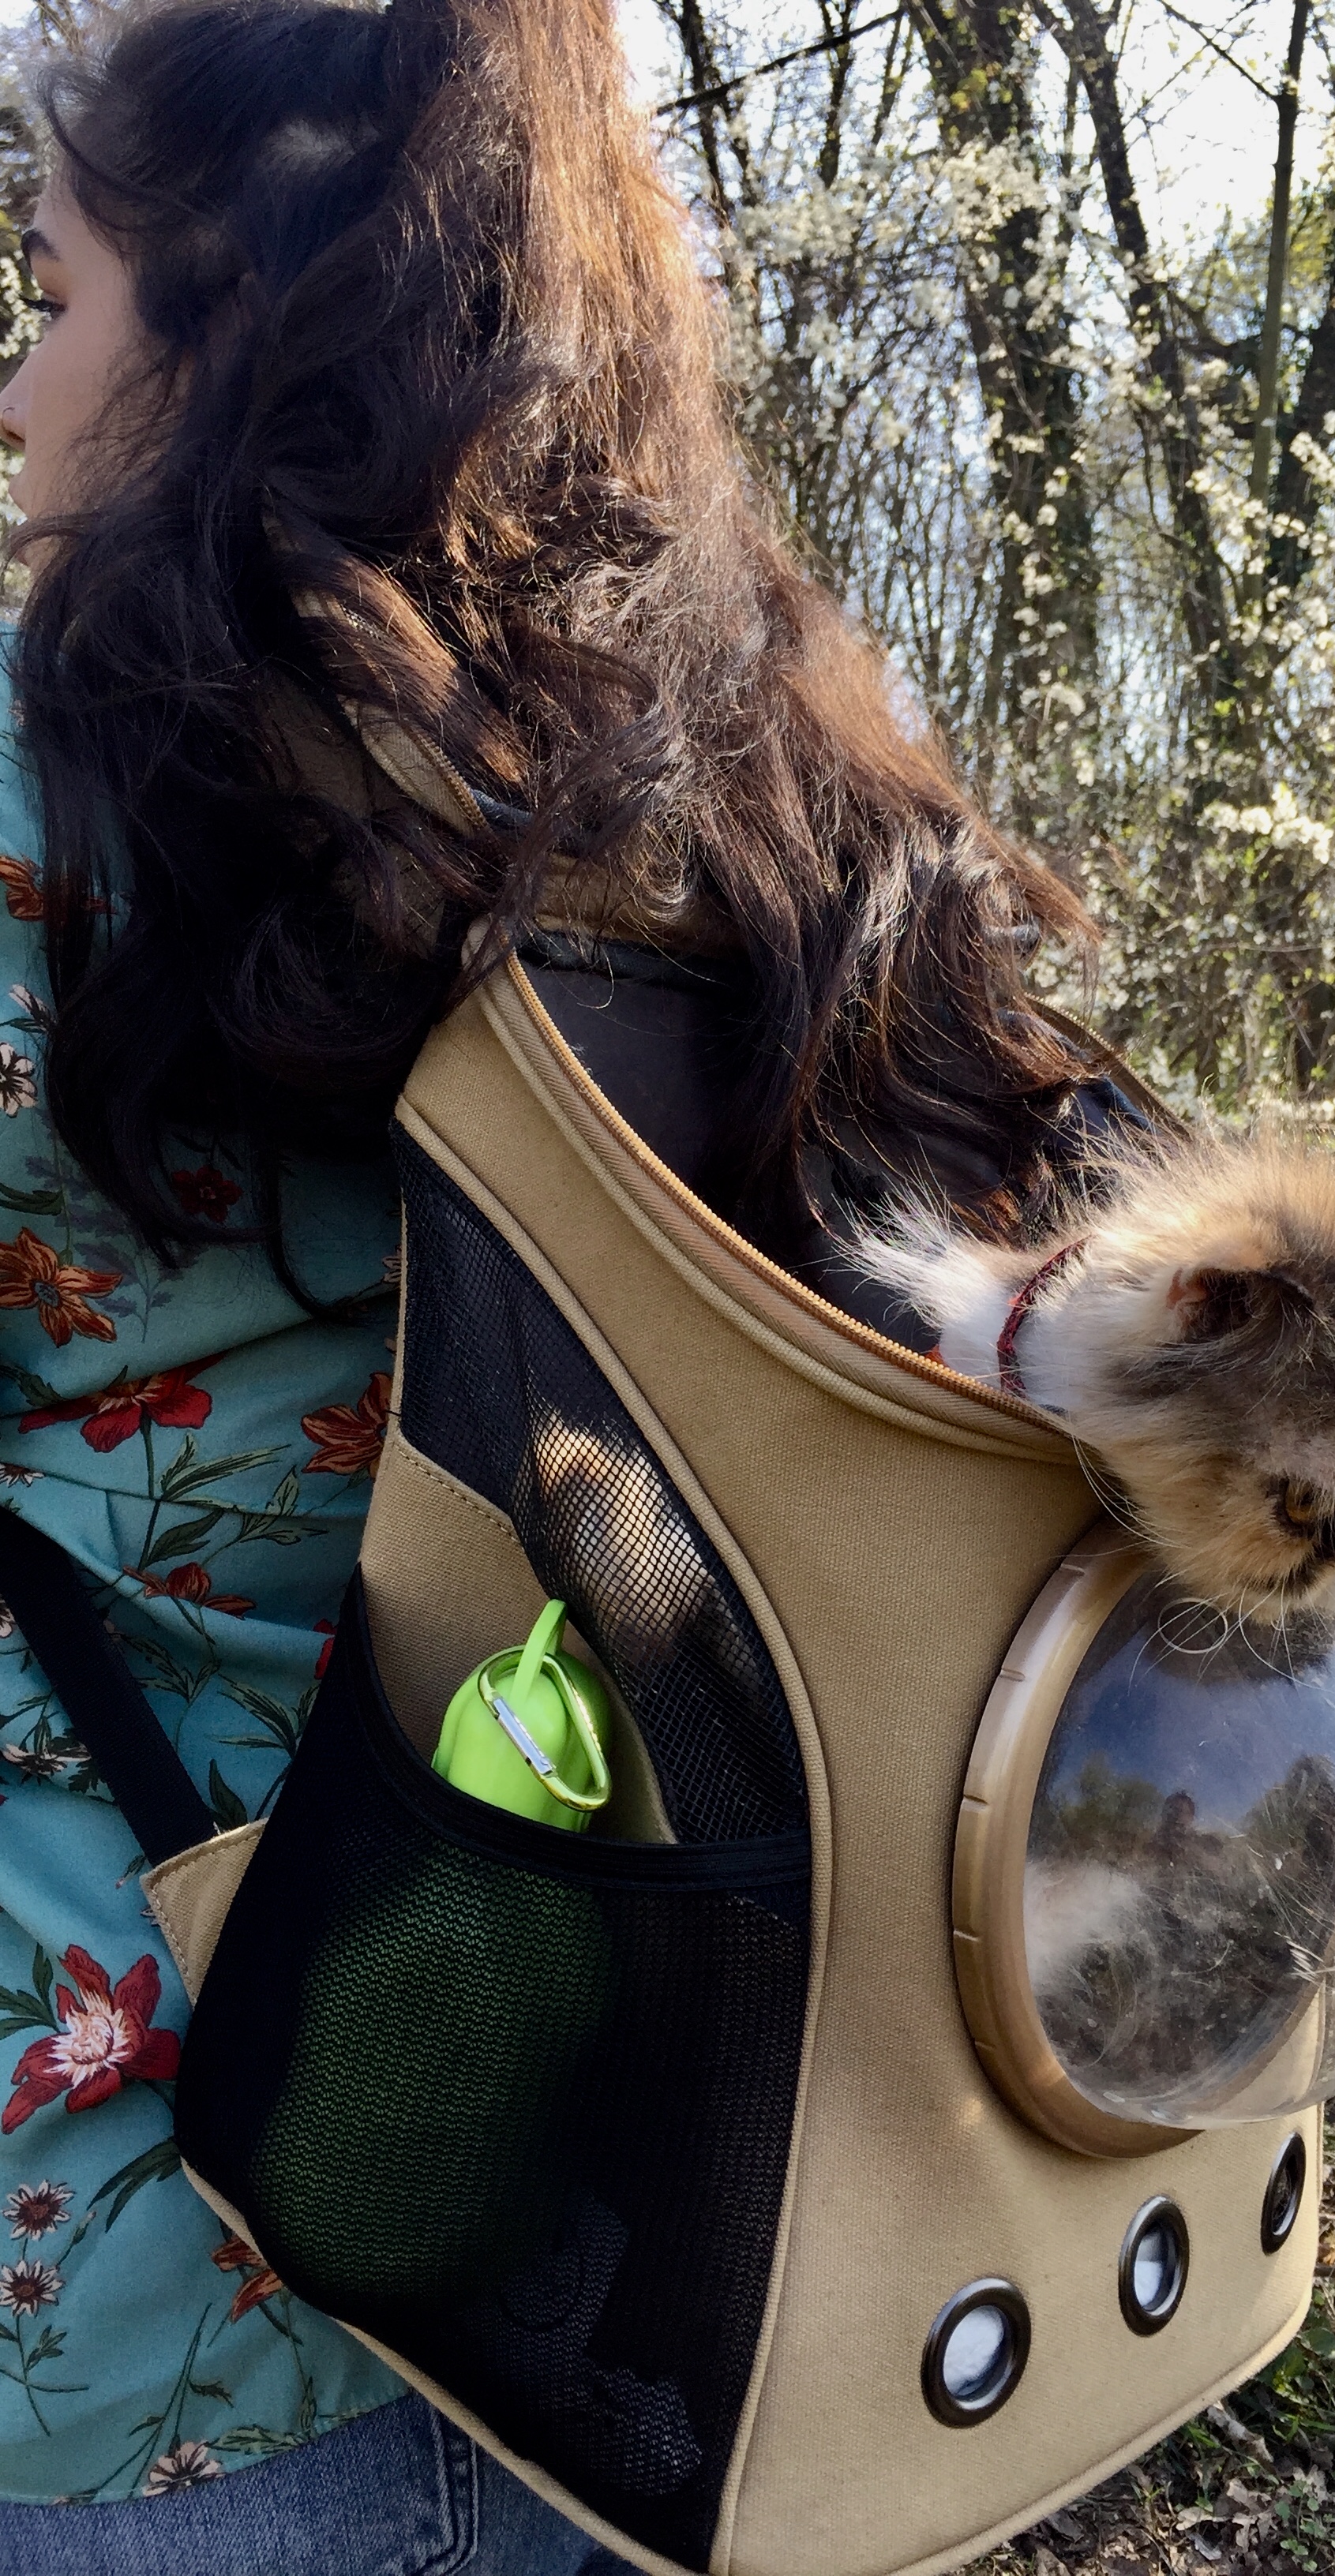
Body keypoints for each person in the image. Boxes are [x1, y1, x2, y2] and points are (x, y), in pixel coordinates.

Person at [0, 1, 1116, 2567]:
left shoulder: (50, 788)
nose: (20, 389)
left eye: (53, 295)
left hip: (174, 2276)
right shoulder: (782, 785)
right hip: (716, 2255)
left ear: (238, 312)